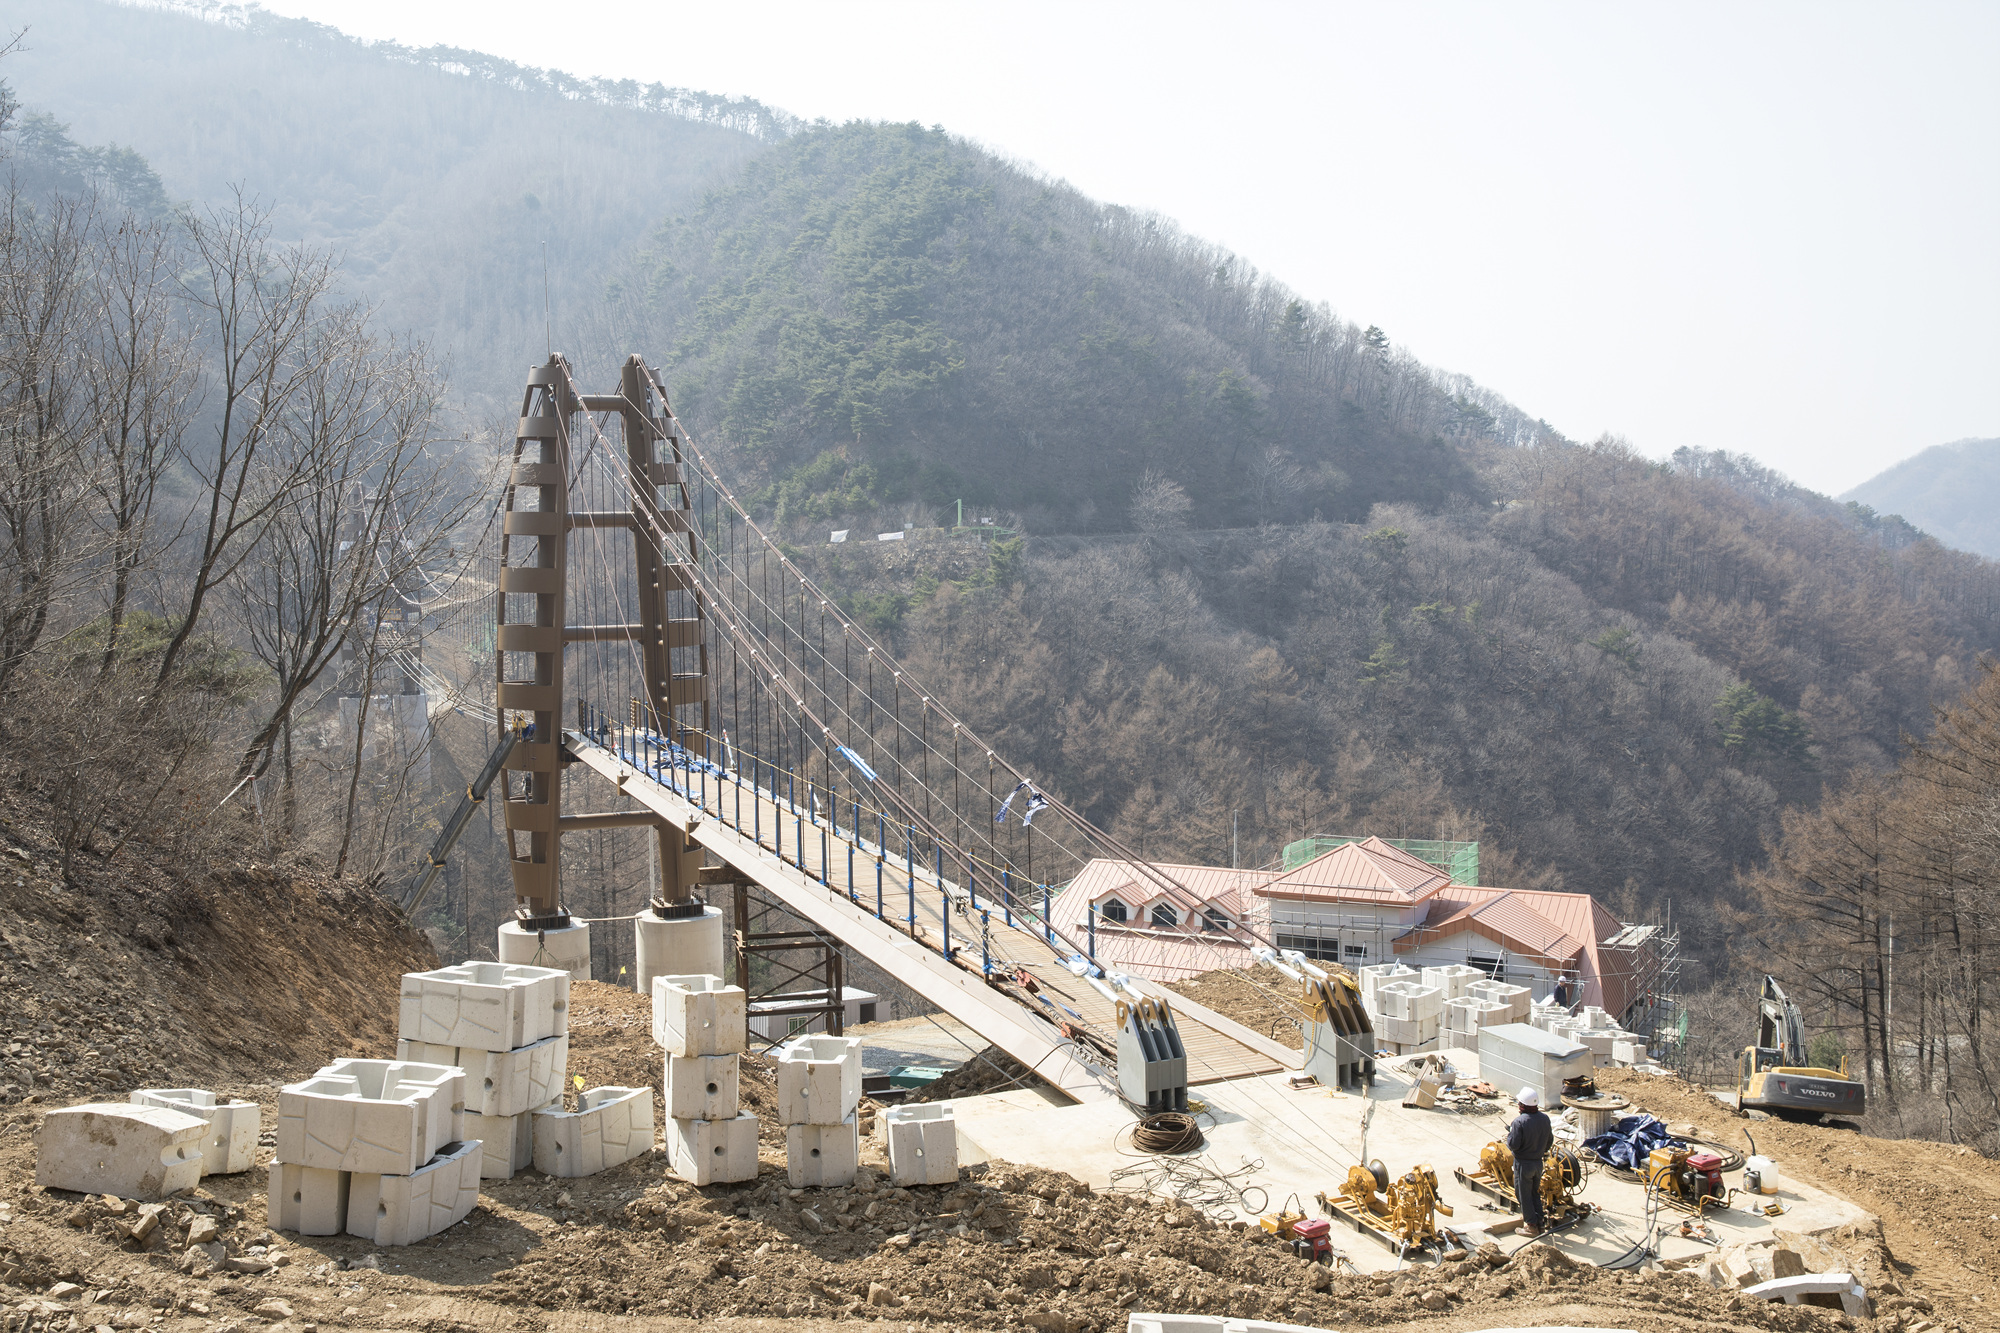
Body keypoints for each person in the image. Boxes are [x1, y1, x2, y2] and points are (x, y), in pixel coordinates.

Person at [1506, 1085, 1553, 1236]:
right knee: (1534, 1193)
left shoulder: (1519, 1122)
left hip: (1523, 1164)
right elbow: (1549, 1141)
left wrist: (1510, 1135)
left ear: (1523, 1105)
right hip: (1538, 1164)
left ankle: (1531, 1226)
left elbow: (1514, 1144)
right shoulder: (1545, 1119)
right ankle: (1540, 1222)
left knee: (1523, 1194)